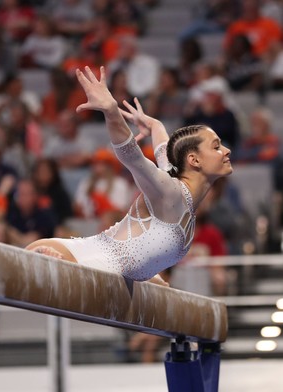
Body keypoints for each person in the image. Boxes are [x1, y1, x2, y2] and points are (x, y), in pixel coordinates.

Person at [25, 65, 232, 284]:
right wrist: (111, 112)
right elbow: (132, 157)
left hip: (109, 274)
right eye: (216, 146)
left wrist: (155, 125)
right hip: (72, 260)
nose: (226, 151)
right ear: (194, 160)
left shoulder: (177, 190)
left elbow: (164, 152)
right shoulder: (171, 192)